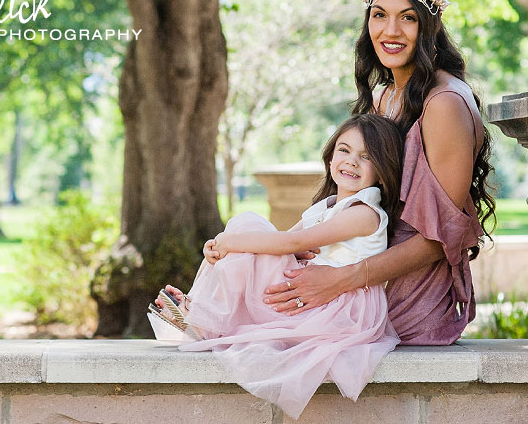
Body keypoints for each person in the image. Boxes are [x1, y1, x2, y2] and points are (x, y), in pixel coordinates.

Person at [261, 0, 496, 345]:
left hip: (405, 297)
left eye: (408, 17)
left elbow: (442, 238)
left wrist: (338, 281)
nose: (391, 30)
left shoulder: (445, 104)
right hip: (354, 271)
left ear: (430, 27)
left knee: (264, 331)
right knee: (256, 265)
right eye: (379, 15)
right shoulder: (382, 96)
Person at [149, 114, 404, 419]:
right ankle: (199, 312)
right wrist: (220, 246)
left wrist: (231, 241)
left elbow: (287, 244)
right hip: (307, 296)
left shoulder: (365, 213)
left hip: (338, 309)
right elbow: (283, 241)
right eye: (344, 150)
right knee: (249, 232)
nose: (351, 162)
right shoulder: (328, 207)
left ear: (383, 169)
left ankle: (202, 318)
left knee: (248, 227)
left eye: (366, 157)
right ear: (331, 154)